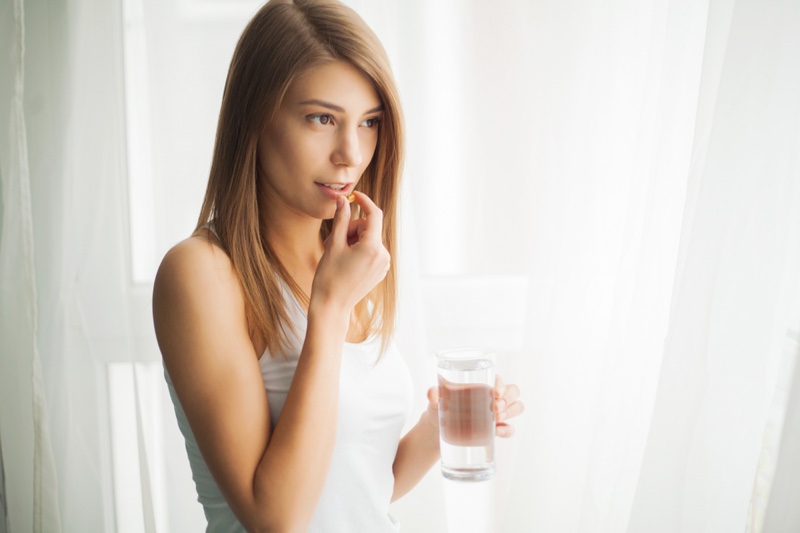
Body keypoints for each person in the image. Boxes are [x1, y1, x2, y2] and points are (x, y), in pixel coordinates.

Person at [152, 0, 524, 531]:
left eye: (369, 122)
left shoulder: (345, 256)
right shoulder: (201, 274)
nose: (351, 153)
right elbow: (277, 515)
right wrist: (328, 308)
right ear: (255, 116)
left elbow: (357, 488)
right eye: (322, 118)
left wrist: (439, 423)